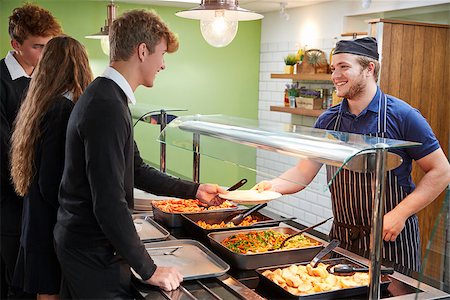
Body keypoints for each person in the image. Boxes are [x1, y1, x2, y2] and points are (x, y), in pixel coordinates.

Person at [54, 9, 226, 298]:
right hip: (91, 252)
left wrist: (194, 190)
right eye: (162, 55)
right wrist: (149, 269)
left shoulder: (108, 96)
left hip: (85, 244)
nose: (163, 65)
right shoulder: (107, 105)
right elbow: (108, 203)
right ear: (143, 51)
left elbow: (136, 169)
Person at [254, 37, 450, 272]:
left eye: (344, 67)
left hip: (391, 238)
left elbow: (441, 171)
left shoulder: (404, 116)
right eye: (334, 68)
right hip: (343, 238)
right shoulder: (328, 120)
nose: (335, 75)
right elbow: (302, 172)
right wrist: (270, 186)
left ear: (369, 69)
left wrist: (400, 213)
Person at [10, 36, 93, 300]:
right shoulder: (62, 109)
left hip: (37, 220)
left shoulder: (44, 103)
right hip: (48, 227)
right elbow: (50, 181)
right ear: (79, 66)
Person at [0, 4, 61, 298]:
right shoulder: (1, 83)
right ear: (16, 45)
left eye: (49, 47)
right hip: (9, 206)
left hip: (36, 204)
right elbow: (6, 152)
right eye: (38, 46)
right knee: (15, 286)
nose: (45, 54)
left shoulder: (45, 80)